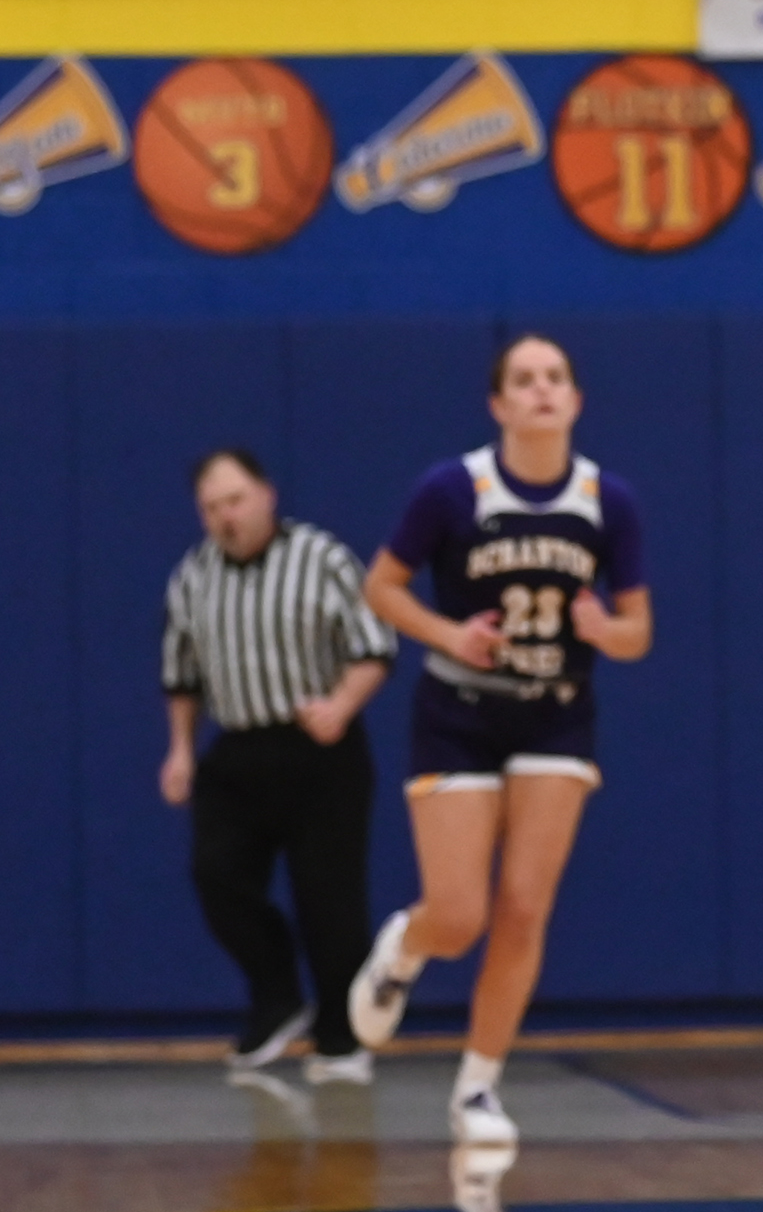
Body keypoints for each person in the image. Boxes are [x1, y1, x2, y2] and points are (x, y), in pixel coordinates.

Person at [348, 336, 654, 1153]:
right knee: (459, 915)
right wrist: (450, 634)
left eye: (555, 378)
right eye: (524, 380)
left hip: (557, 714)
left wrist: (605, 629)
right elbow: (380, 586)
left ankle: (478, 1085)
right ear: (499, 405)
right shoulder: (451, 489)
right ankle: (403, 948)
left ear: (576, 400)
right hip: (460, 708)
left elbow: (638, 632)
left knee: (523, 907)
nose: (541, 390)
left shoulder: (608, 501)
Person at [160, 449, 398, 1082]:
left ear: (266, 495)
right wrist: (181, 749)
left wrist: (341, 705)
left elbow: (374, 646)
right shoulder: (192, 577)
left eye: (235, 501)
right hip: (238, 748)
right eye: (212, 508)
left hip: (319, 748)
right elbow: (181, 674)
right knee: (216, 875)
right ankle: (277, 995)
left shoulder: (321, 558)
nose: (226, 517)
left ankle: (342, 1038)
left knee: (330, 900)